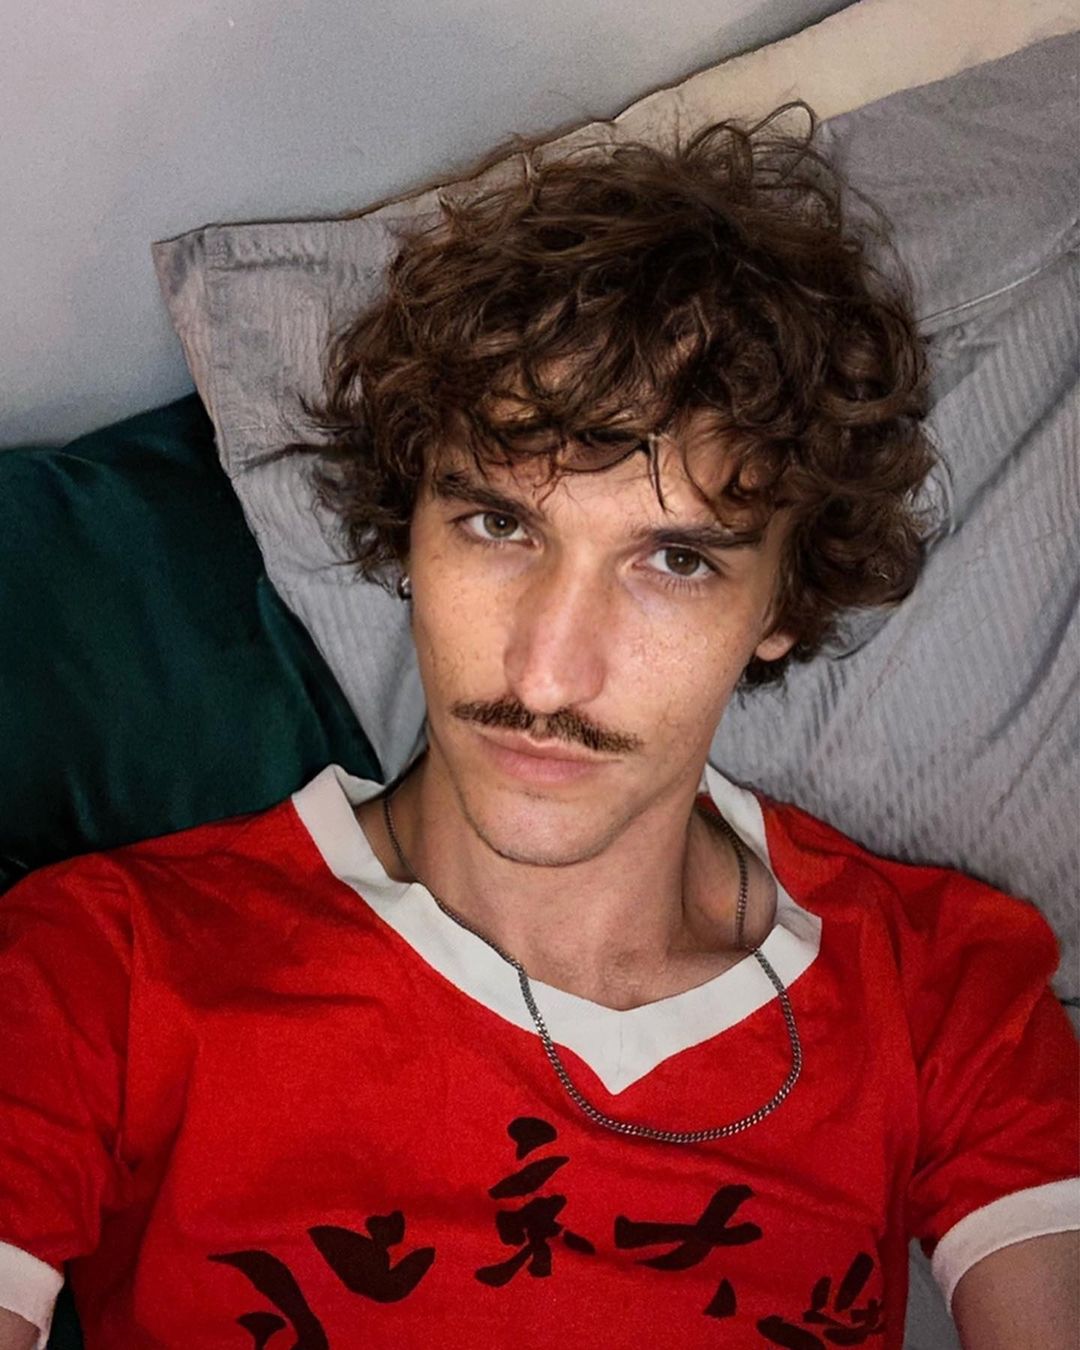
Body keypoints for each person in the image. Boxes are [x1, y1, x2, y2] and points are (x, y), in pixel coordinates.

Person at [0, 113, 1076, 1350]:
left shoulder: (940, 988)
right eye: (500, 526)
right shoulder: (101, 967)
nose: (549, 671)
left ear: (781, 607)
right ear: (408, 534)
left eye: (676, 560)